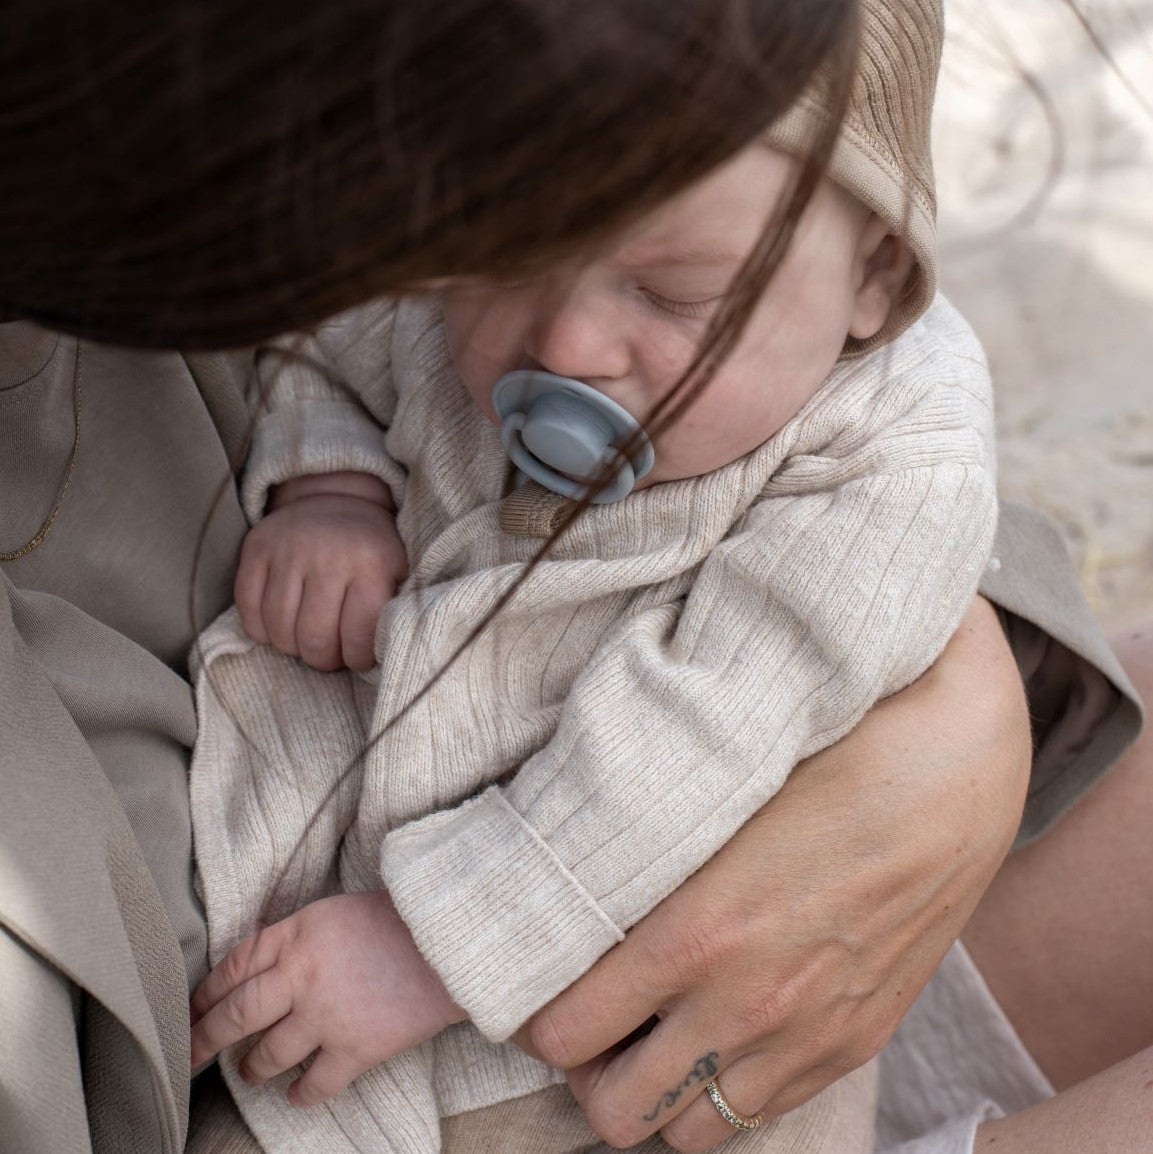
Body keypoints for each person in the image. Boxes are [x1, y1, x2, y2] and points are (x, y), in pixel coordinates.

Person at [0, 0, 1144, 1152]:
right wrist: (330, 484)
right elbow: (336, 342)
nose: (566, 346)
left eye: (674, 295)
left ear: (875, 272)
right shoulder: (478, 255)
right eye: (498, 264)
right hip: (296, 930)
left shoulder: (888, 458)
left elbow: (692, 733)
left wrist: (433, 945)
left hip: (578, 1047)